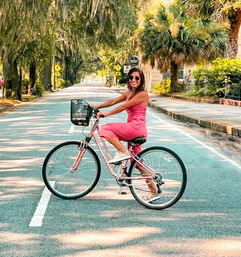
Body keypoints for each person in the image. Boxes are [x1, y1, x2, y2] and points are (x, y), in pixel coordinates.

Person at [93, 67, 159, 200]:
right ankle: (153, 189)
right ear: (128, 79)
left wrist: (106, 114)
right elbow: (113, 101)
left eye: (137, 78)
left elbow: (123, 106)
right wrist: (97, 107)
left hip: (135, 128)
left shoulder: (142, 94)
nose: (134, 80)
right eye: (131, 77)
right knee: (137, 163)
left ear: (141, 80)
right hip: (135, 129)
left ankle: (123, 152)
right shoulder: (129, 93)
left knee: (104, 129)